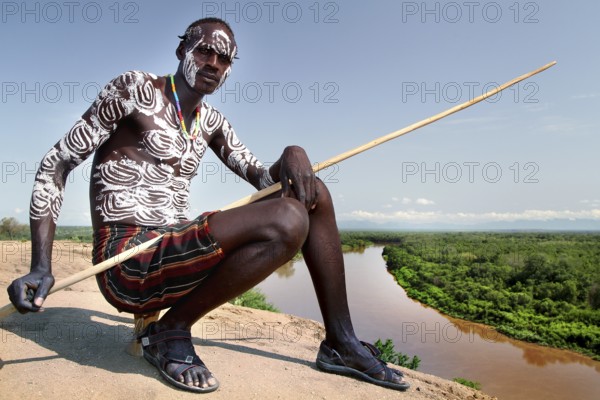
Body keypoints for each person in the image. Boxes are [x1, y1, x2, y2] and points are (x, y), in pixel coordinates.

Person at [7, 17, 410, 393]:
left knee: (312, 191)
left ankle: (340, 341)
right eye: (204, 51)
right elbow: (55, 163)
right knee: (288, 218)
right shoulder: (134, 88)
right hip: (127, 261)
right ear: (183, 51)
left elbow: (265, 181)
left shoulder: (211, 122)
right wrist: (41, 264)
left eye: (224, 58)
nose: (214, 63)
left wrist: (292, 154)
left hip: (176, 250)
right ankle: (171, 330)